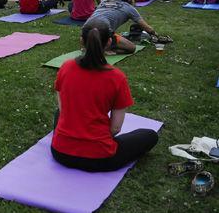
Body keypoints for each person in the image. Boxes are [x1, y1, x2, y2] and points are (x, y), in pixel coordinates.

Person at [50, 21, 159, 172]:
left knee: (58, 113)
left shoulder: (66, 67)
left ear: (81, 41)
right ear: (109, 42)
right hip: (100, 158)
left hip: (61, 152)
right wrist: (92, 140)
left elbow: (62, 109)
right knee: (149, 135)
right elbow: (115, 128)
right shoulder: (116, 77)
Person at [83, 0, 156, 55]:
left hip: (85, 29)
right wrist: (156, 35)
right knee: (132, 48)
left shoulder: (107, 0)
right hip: (103, 29)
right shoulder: (130, 8)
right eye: (135, 1)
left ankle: (89, 45)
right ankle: (103, 50)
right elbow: (147, 28)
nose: (135, 4)